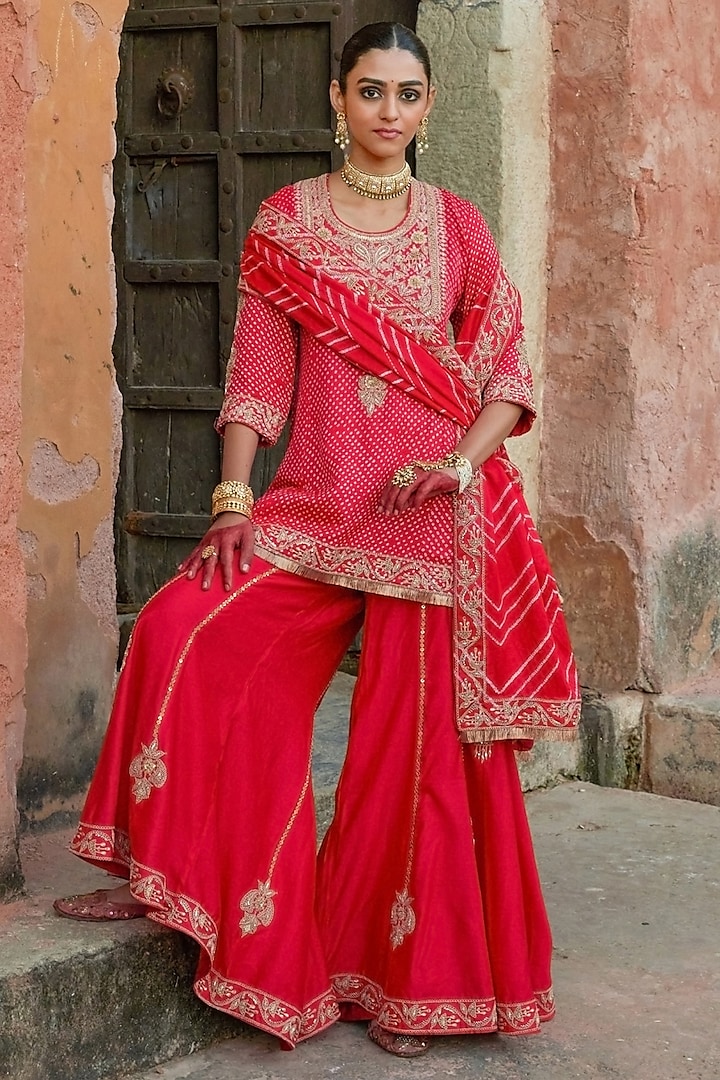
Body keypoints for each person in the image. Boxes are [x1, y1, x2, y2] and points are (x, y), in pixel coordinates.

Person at [54, 22, 580, 1059]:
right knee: (181, 631)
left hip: (428, 518)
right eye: (372, 91)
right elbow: (259, 376)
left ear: (428, 108)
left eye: (410, 94)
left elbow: (504, 370)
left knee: (412, 751)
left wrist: (464, 466)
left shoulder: (460, 228)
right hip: (311, 509)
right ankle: (172, 871)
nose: (390, 111)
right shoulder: (287, 223)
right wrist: (232, 501)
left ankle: (402, 983)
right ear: (336, 100)